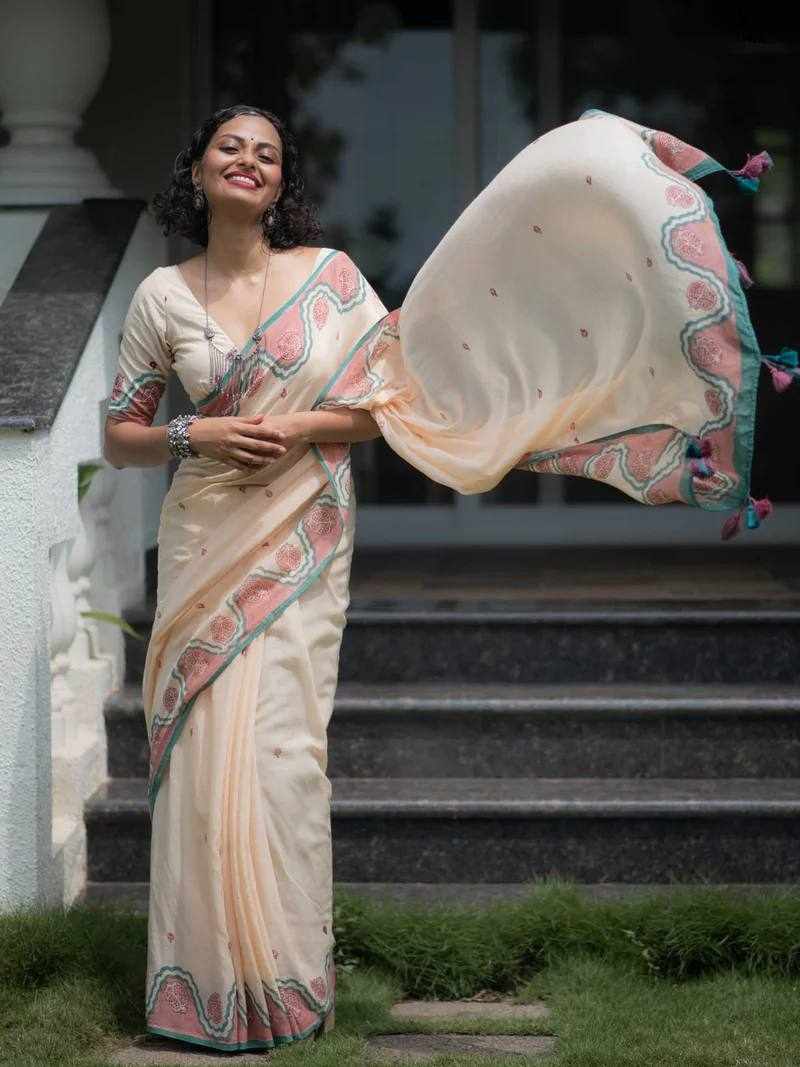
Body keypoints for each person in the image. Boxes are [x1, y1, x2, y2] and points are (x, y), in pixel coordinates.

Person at [104, 101, 792, 1053]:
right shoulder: (160, 296)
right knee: (201, 759)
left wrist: (299, 426)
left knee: (282, 755)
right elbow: (121, 434)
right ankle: (203, 991)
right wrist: (199, 432)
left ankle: (290, 986)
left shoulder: (330, 279)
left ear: (281, 182)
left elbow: (385, 403)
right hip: (203, 541)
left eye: (267, 152)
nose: (248, 161)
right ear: (198, 170)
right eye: (231, 147)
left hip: (300, 534)